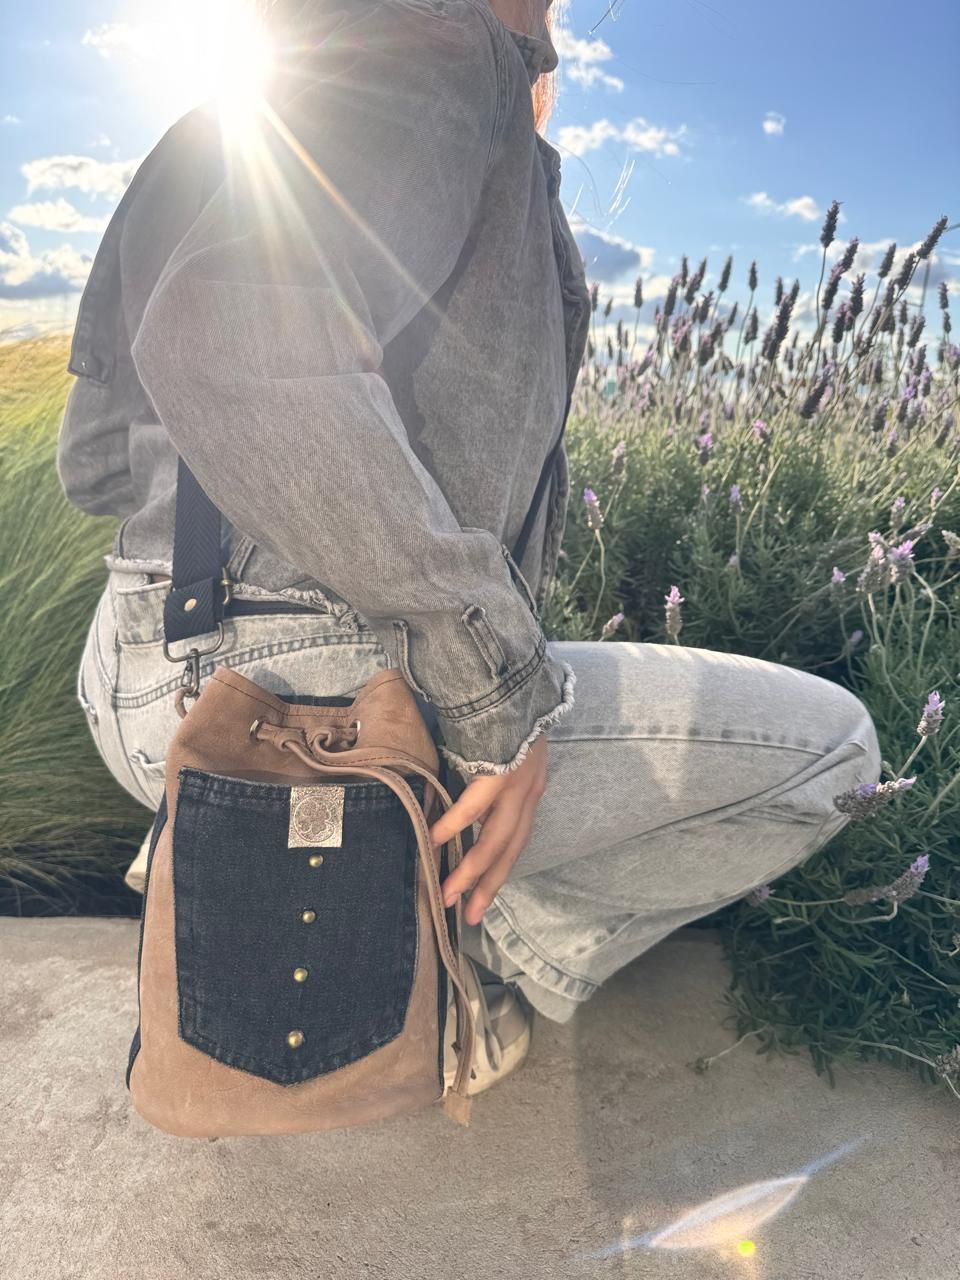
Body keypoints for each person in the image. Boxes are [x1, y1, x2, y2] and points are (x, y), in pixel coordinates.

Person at [58, 0, 882, 1098]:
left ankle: (291, 865)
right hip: (308, 682)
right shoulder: (441, 48)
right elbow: (224, 333)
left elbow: (96, 466)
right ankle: (465, 960)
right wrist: (498, 696)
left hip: (140, 658)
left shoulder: (263, 94)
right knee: (837, 754)